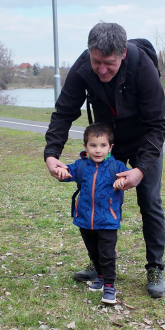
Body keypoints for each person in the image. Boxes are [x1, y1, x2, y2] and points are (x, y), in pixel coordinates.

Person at [44, 22, 165, 298]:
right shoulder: (83, 68)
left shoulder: (143, 68)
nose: (101, 69)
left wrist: (141, 169)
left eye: (108, 63)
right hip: (105, 142)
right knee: (97, 198)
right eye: (96, 61)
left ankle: (155, 267)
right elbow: (64, 111)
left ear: (123, 54)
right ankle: (99, 265)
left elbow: (158, 124)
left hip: (142, 141)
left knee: (149, 200)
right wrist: (51, 154)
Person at [53, 123, 129, 305]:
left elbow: (132, 178)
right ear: (85, 147)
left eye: (102, 145)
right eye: (93, 145)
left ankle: (110, 285)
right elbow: (67, 173)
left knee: (107, 254)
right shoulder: (81, 166)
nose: (97, 150)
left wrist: (123, 181)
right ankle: (100, 276)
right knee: (93, 252)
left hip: (108, 220)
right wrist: (62, 171)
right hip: (85, 220)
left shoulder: (116, 167)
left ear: (110, 147)